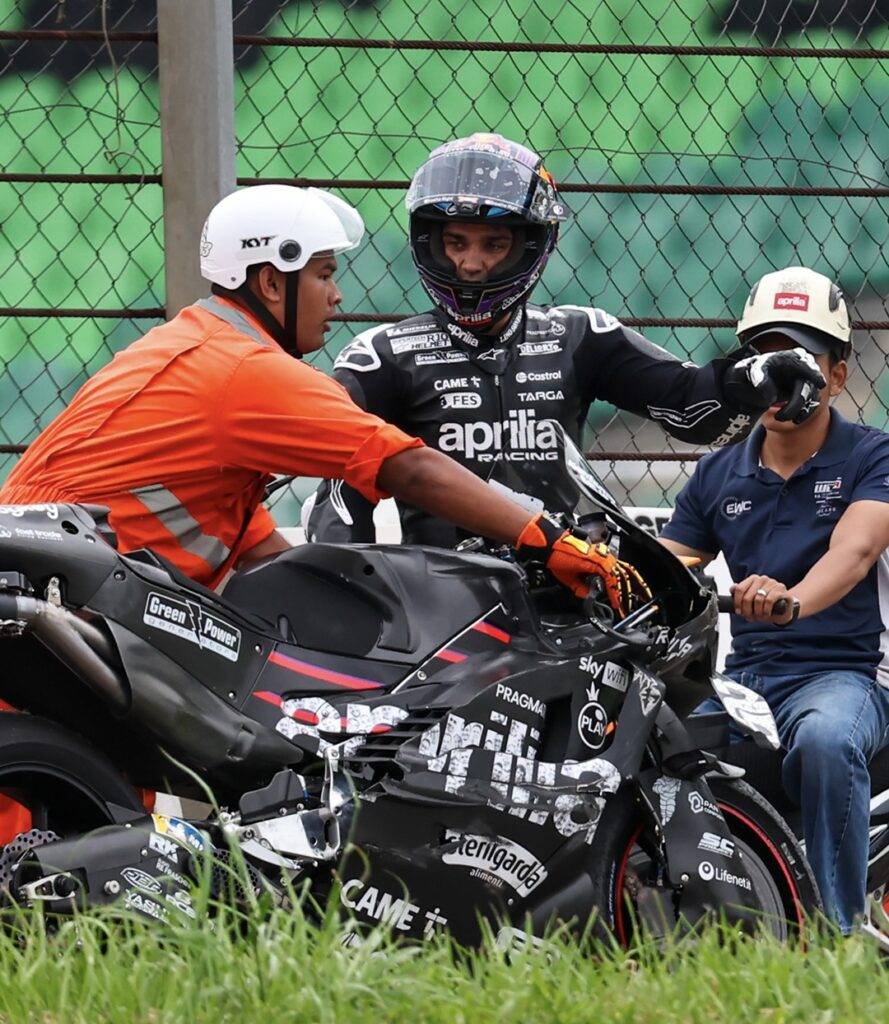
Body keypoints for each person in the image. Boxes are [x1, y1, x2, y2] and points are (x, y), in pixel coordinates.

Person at [0, 184, 650, 616]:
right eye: (323, 274)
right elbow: (409, 467)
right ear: (269, 283)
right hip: (48, 611)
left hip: (51, 600)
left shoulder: (194, 346)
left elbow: (260, 550)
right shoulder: (244, 372)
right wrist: (549, 540)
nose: (336, 296)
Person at [307, 132, 825, 546]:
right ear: (430, 242)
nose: (470, 263)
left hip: (570, 596)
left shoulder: (581, 334)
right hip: (442, 613)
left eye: (495, 244)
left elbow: (692, 410)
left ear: (534, 246)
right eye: (455, 242)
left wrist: (759, 374)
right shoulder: (380, 357)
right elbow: (336, 495)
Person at [659, 266, 889, 932]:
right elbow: (668, 562)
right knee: (651, 733)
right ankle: (698, 929)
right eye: (764, 355)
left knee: (821, 741)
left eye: (800, 356)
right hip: (744, 682)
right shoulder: (718, 469)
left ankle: (838, 936)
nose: (778, 373)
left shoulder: (873, 457)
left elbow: (852, 553)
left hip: (846, 677)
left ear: (837, 374)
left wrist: (787, 601)